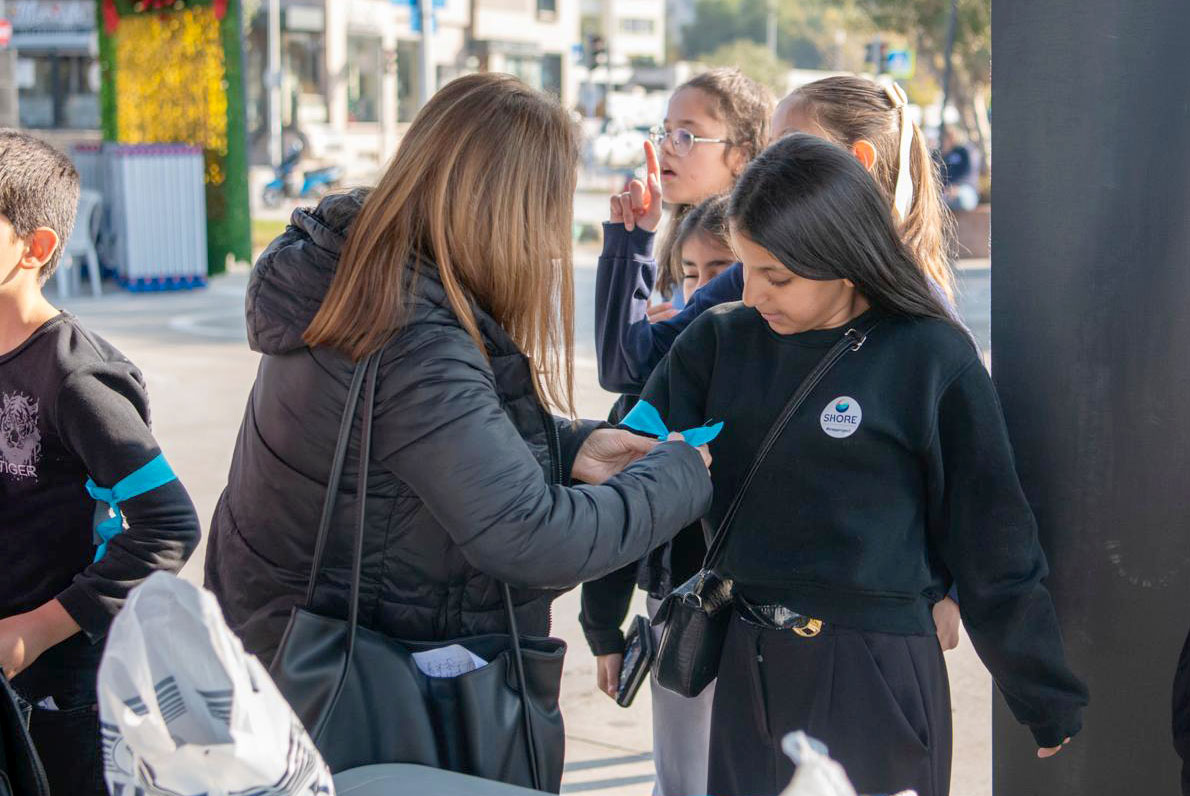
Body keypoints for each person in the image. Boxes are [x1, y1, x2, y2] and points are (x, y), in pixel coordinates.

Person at [203, 74, 713, 675]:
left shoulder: (361, 278)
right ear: (509, 213)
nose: (550, 241)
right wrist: (679, 474)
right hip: (355, 686)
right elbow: (536, 539)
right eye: (550, 211)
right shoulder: (412, 336)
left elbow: (430, 436)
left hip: (287, 642)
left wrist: (570, 444)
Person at [637, 134, 1088, 796]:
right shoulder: (717, 342)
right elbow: (631, 455)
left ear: (845, 261)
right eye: (747, 269)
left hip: (874, 667)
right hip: (746, 660)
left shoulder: (929, 357)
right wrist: (601, 612)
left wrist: (1042, 691)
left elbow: (992, 537)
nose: (754, 293)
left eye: (777, 277)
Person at [0, 130, 201, 795]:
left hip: (63, 697)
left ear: (36, 248)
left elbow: (167, 525)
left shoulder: (78, 378)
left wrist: (36, 629)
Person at [581, 195, 736, 796]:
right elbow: (621, 511)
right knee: (684, 776)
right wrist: (603, 632)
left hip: (773, 615)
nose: (703, 289)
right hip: (680, 612)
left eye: (722, 270)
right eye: (690, 273)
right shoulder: (657, 381)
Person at [940, 127, 981, 212]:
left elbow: (969, 173)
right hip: (948, 191)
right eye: (947, 137)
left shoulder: (967, 150)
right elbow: (941, 174)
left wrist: (956, 187)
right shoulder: (947, 154)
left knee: (959, 200)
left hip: (967, 190)